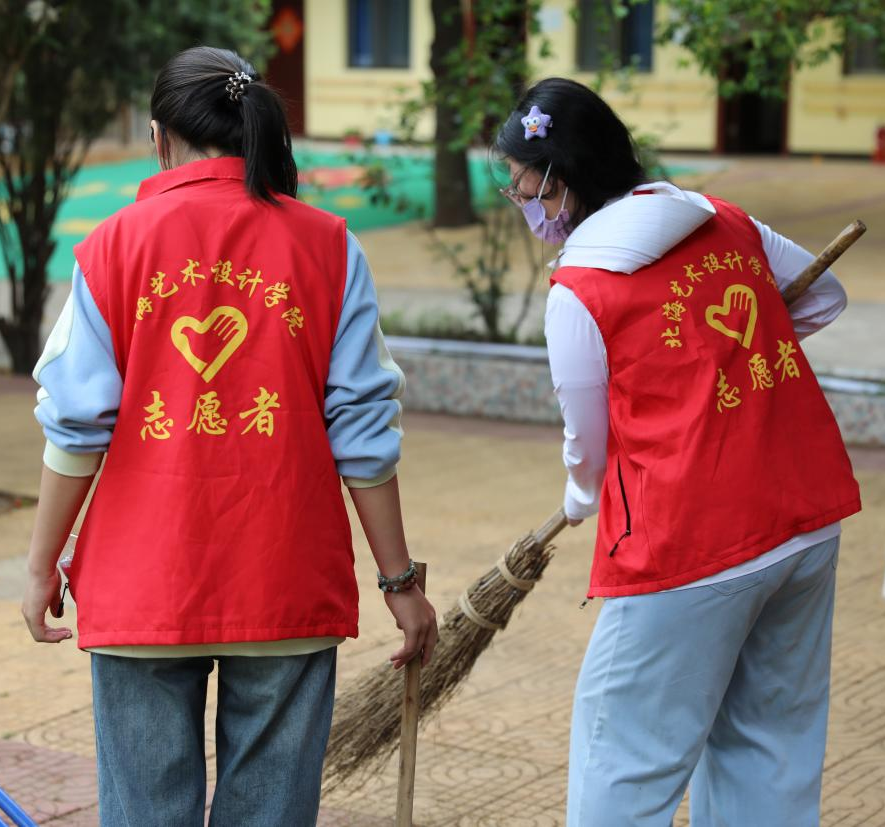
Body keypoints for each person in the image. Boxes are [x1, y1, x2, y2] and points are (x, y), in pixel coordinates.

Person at [21, 46, 437, 828]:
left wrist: (43, 563)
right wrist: (399, 581)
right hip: (284, 579)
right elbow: (362, 428)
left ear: (159, 136)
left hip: (143, 586)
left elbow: (76, 424)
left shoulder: (112, 246)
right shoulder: (327, 245)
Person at [496, 78, 861, 827]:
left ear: (562, 181)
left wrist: (577, 498)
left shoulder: (580, 289)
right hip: (803, 518)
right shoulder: (724, 219)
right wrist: (729, 354)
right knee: (771, 744)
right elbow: (823, 298)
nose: (521, 199)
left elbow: (587, 445)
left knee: (624, 757)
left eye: (524, 185)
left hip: (689, 543)